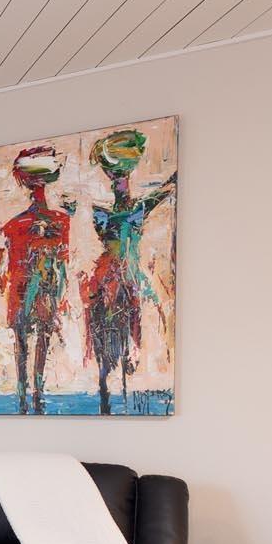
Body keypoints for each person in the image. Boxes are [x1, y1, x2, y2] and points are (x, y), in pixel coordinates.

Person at [81, 129, 175, 414]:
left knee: (134, 303)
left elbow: (162, 193)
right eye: (116, 179)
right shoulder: (106, 214)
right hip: (111, 273)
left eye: (122, 179)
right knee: (110, 303)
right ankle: (107, 385)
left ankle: (128, 359)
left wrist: (171, 183)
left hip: (125, 274)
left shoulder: (130, 211)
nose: (119, 184)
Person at [0, 145, 76, 414]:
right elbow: (59, 260)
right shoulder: (54, 222)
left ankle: (28, 394)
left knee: (30, 341)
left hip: (37, 288)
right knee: (33, 340)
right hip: (33, 288)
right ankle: (32, 394)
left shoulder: (18, 224)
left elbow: (59, 261)